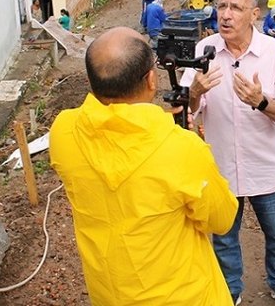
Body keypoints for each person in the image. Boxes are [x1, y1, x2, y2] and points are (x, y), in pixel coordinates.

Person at [50, 27, 239, 306]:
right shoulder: (181, 149)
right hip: (186, 297)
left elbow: (113, 131)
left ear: (93, 83)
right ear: (152, 80)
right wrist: (184, 139)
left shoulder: (63, 132)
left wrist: (162, 124)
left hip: (110, 294)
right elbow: (221, 220)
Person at [181, 0, 275, 306]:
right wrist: (195, 93)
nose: (224, 15)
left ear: (254, 13)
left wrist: (261, 101)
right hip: (222, 169)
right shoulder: (204, 51)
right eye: (221, 6)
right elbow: (187, 113)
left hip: (266, 167)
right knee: (224, 238)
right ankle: (230, 291)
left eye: (235, 8)